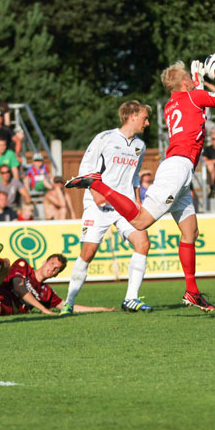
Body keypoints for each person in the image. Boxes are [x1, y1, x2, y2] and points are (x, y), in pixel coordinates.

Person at [65, 50, 215, 311]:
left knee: (190, 231)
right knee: (140, 221)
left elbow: (196, 107)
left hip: (180, 169)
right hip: (178, 168)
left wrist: (196, 76)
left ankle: (192, 292)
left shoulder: (173, 102)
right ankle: (96, 182)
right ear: (186, 83)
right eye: (191, 80)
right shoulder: (193, 96)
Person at [62, 100, 153, 315]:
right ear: (132, 116)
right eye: (144, 118)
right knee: (88, 253)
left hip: (126, 206)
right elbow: (86, 169)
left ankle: (131, 298)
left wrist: (137, 200)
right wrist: (95, 194)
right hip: (98, 205)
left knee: (143, 243)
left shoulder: (140, 145)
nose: (147, 123)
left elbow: (135, 177)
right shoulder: (105, 138)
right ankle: (69, 301)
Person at [0, 246, 113, 320]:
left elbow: (68, 307)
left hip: (4, 305)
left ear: (56, 274)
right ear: (44, 262)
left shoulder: (46, 292)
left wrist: (102, 309)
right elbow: (18, 287)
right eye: (51, 264)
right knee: (5, 263)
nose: (52, 269)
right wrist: (43, 309)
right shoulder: (24, 266)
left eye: (56, 269)